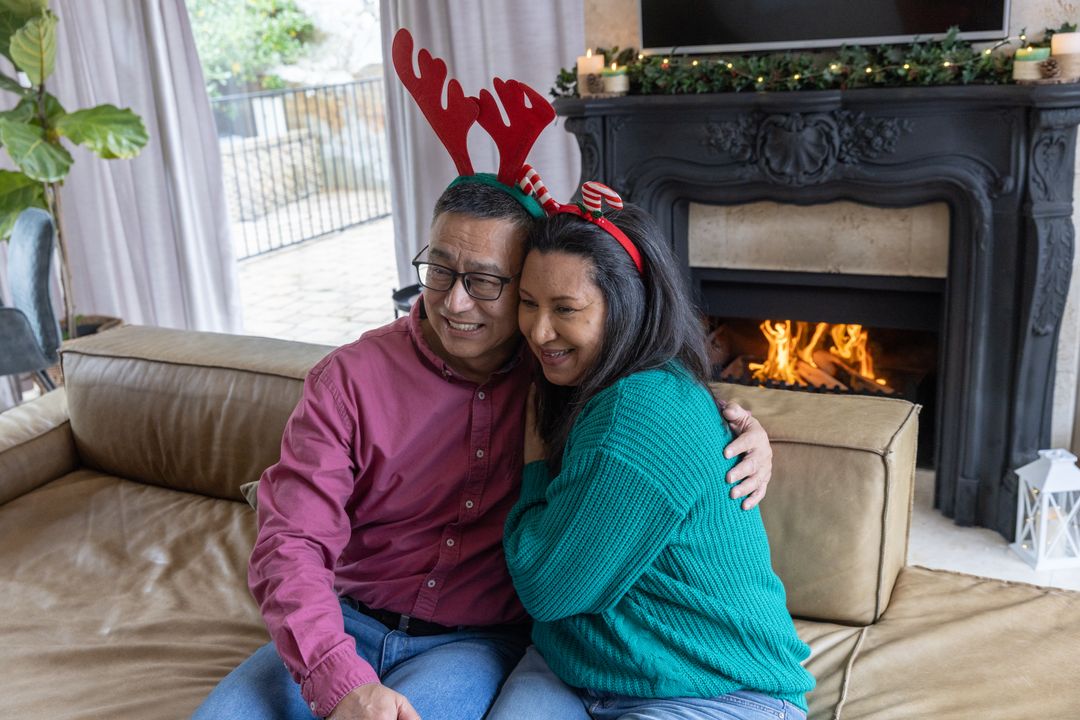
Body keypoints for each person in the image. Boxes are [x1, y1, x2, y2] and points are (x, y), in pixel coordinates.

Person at [191, 180, 776, 720]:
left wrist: (745, 431)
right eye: (439, 271)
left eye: (488, 282)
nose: (456, 303)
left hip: (472, 640)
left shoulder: (563, 369)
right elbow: (290, 542)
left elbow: (655, 402)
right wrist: (337, 678)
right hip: (346, 619)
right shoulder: (349, 378)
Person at [486, 193, 815, 720]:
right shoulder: (577, 380)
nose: (538, 331)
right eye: (528, 302)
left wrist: (532, 463)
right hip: (578, 666)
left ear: (626, 304)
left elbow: (546, 587)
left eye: (566, 310)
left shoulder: (640, 406)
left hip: (714, 690)